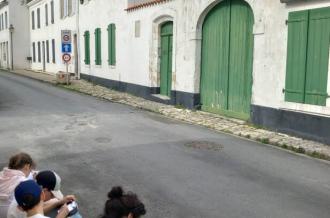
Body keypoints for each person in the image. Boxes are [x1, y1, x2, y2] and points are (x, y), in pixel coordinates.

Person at [0, 153, 35, 217]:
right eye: (30, 170)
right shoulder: (24, 182)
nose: (30, 172)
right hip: (9, 214)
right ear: (27, 166)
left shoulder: (2, 174)